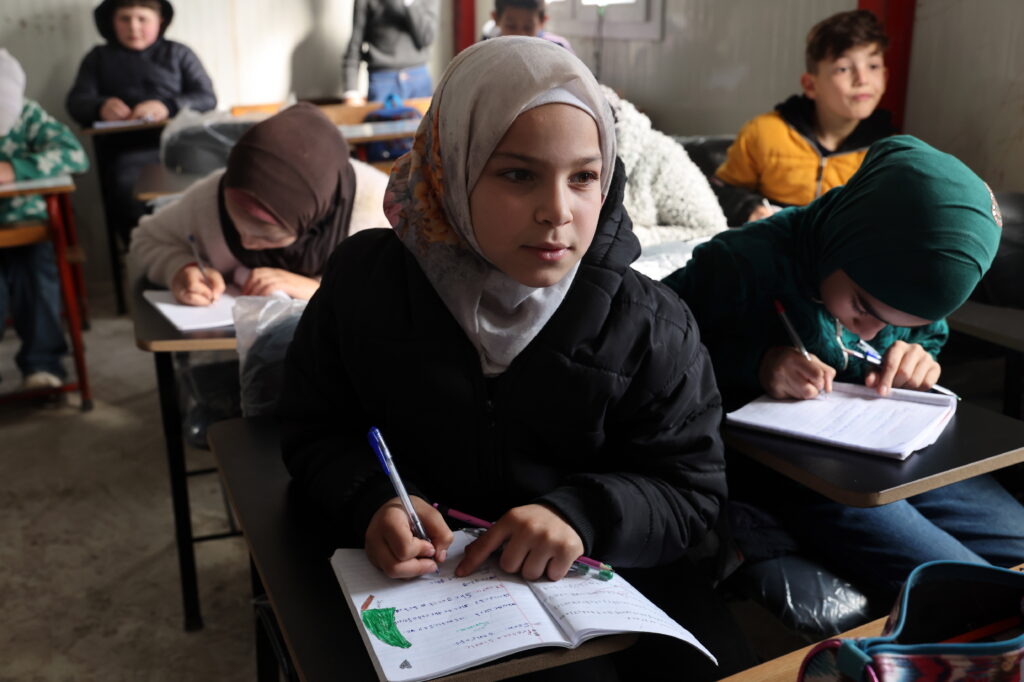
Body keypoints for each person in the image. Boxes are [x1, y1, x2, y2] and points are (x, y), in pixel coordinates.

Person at [281, 37, 754, 679]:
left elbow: (691, 491)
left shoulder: (649, 323)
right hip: (417, 613)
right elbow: (314, 430)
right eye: (517, 174)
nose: (558, 211)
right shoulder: (365, 288)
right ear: (451, 168)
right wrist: (373, 501)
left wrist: (582, 515)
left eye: (584, 176)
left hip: (589, 614)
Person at [662, 134, 1024, 599]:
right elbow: (657, 355)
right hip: (798, 477)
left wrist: (921, 355)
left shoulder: (906, 279)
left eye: (901, 322)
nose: (872, 333)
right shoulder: (741, 264)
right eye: (862, 307)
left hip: (896, 454)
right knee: (968, 591)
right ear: (846, 235)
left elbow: (927, 333)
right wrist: (757, 365)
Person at [129, 103, 388, 304]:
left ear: (311, 216)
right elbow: (145, 239)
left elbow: (408, 295)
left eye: (266, 238)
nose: (245, 243)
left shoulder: (382, 206)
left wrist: (318, 290)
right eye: (235, 225)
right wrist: (180, 269)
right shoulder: (214, 196)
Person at [713, 9, 894, 226]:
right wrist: (749, 208)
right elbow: (720, 191)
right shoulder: (764, 133)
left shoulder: (888, 152)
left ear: (885, 76)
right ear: (810, 85)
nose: (862, 79)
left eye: (873, 66)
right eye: (843, 68)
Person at [66, 0, 216, 245]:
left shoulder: (178, 53)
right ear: (111, 22)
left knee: (203, 196)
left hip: (182, 150)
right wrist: (100, 106)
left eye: (142, 19)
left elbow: (206, 97)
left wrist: (167, 106)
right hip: (124, 154)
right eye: (124, 19)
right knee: (129, 197)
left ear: (160, 21)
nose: (133, 27)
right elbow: (76, 102)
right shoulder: (98, 58)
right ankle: (143, 255)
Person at [0, 49, 90, 390]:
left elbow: (75, 157)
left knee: (37, 283)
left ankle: (42, 364)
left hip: (29, 225)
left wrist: (15, 169)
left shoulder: (28, 115)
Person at [342, 0, 438, 105]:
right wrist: (351, 92)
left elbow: (426, 38)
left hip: (419, 80)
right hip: (381, 81)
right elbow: (355, 45)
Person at [483, 0, 575, 54]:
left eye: (528, 27)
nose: (520, 35)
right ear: (496, 18)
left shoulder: (558, 48)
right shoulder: (487, 51)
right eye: (511, 26)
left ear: (542, 21)